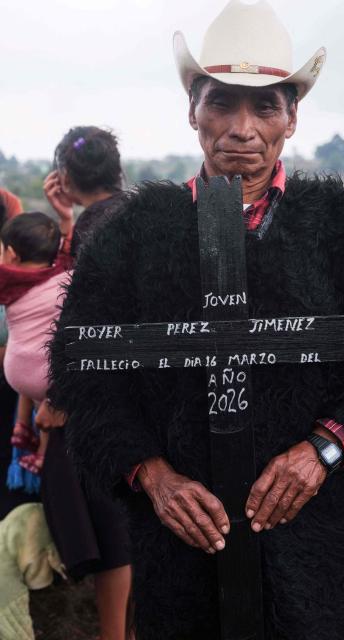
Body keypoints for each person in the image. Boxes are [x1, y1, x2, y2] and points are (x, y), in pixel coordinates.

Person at [49, 2, 344, 639]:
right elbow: (84, 373)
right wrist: (153, 475)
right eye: (222, 103)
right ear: (192, 111)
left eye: (264, 107)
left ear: (292, 117)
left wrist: (326, 449)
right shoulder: (134, 237)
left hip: (323, 541)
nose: (242, 129)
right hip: (181, 543)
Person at [42, 128, 132, 640]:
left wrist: (59, 398)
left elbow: (88, 321)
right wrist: (66, 222)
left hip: (111, 400)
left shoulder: (98, 227)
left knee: (109, 526)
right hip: (145, 389)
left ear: (67, 177)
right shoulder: (129, 210)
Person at [0, 212, 70, 473]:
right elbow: (66, 257)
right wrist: (65, 224)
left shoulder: (6, 280)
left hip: (25, 372)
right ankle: (41, 453)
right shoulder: (64, 278)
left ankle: (24, 431)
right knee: (45, 408)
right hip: (48, 377)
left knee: (41, 403)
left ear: (12, 253)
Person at [43, 125, 125, 259]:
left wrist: (66, 224)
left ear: (66, 180)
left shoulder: (88, 227)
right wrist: (66, 219)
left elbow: (69, 276)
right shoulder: (138, 206)